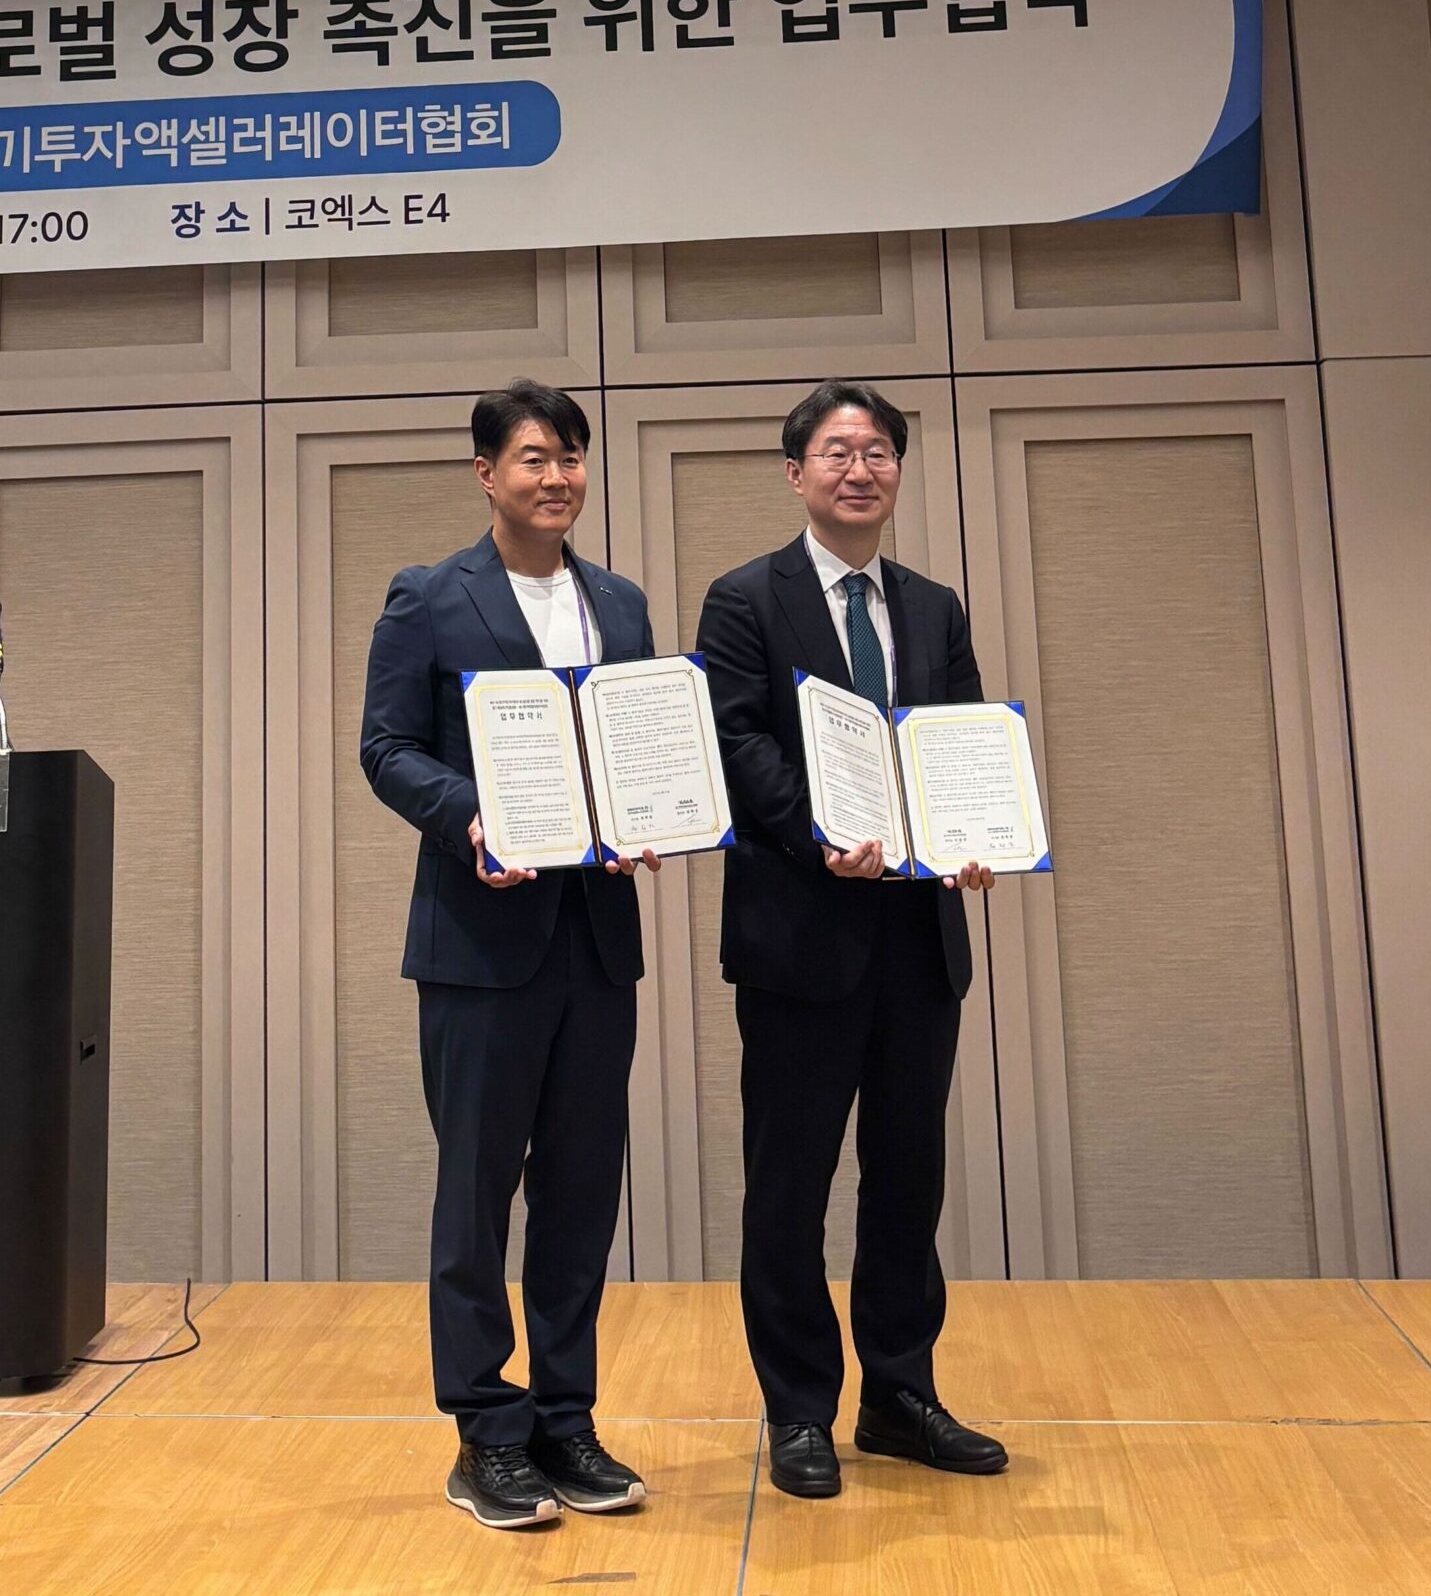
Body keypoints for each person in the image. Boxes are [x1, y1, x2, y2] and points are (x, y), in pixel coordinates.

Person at [694, 378, 1009, 1499]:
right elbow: (737, 744)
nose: (859, 469)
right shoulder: (744, 599)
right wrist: (820, 830)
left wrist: (974, 834)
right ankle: (797, 1409)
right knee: (789, 1186)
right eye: (836, 451)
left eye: (877, 451)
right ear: (797, 475)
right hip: (798, 940)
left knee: (908, 1179)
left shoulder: (933, 608)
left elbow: (960, 738)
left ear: (897, 472)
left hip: (918, 940)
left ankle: (900, 1395)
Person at [359, 378, 662, 1529]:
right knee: (477, 1196)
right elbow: (386, 748)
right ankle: (484, 1434)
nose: (557, 477)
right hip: (479, 944)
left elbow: (637, 745)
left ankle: (564, 1419)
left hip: (595, 940)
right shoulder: (430, 597)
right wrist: (471, 816)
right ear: (486, 473)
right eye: (535, 457)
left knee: (580, 1192)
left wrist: (653, 809)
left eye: (571, 456)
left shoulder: (620, 605)